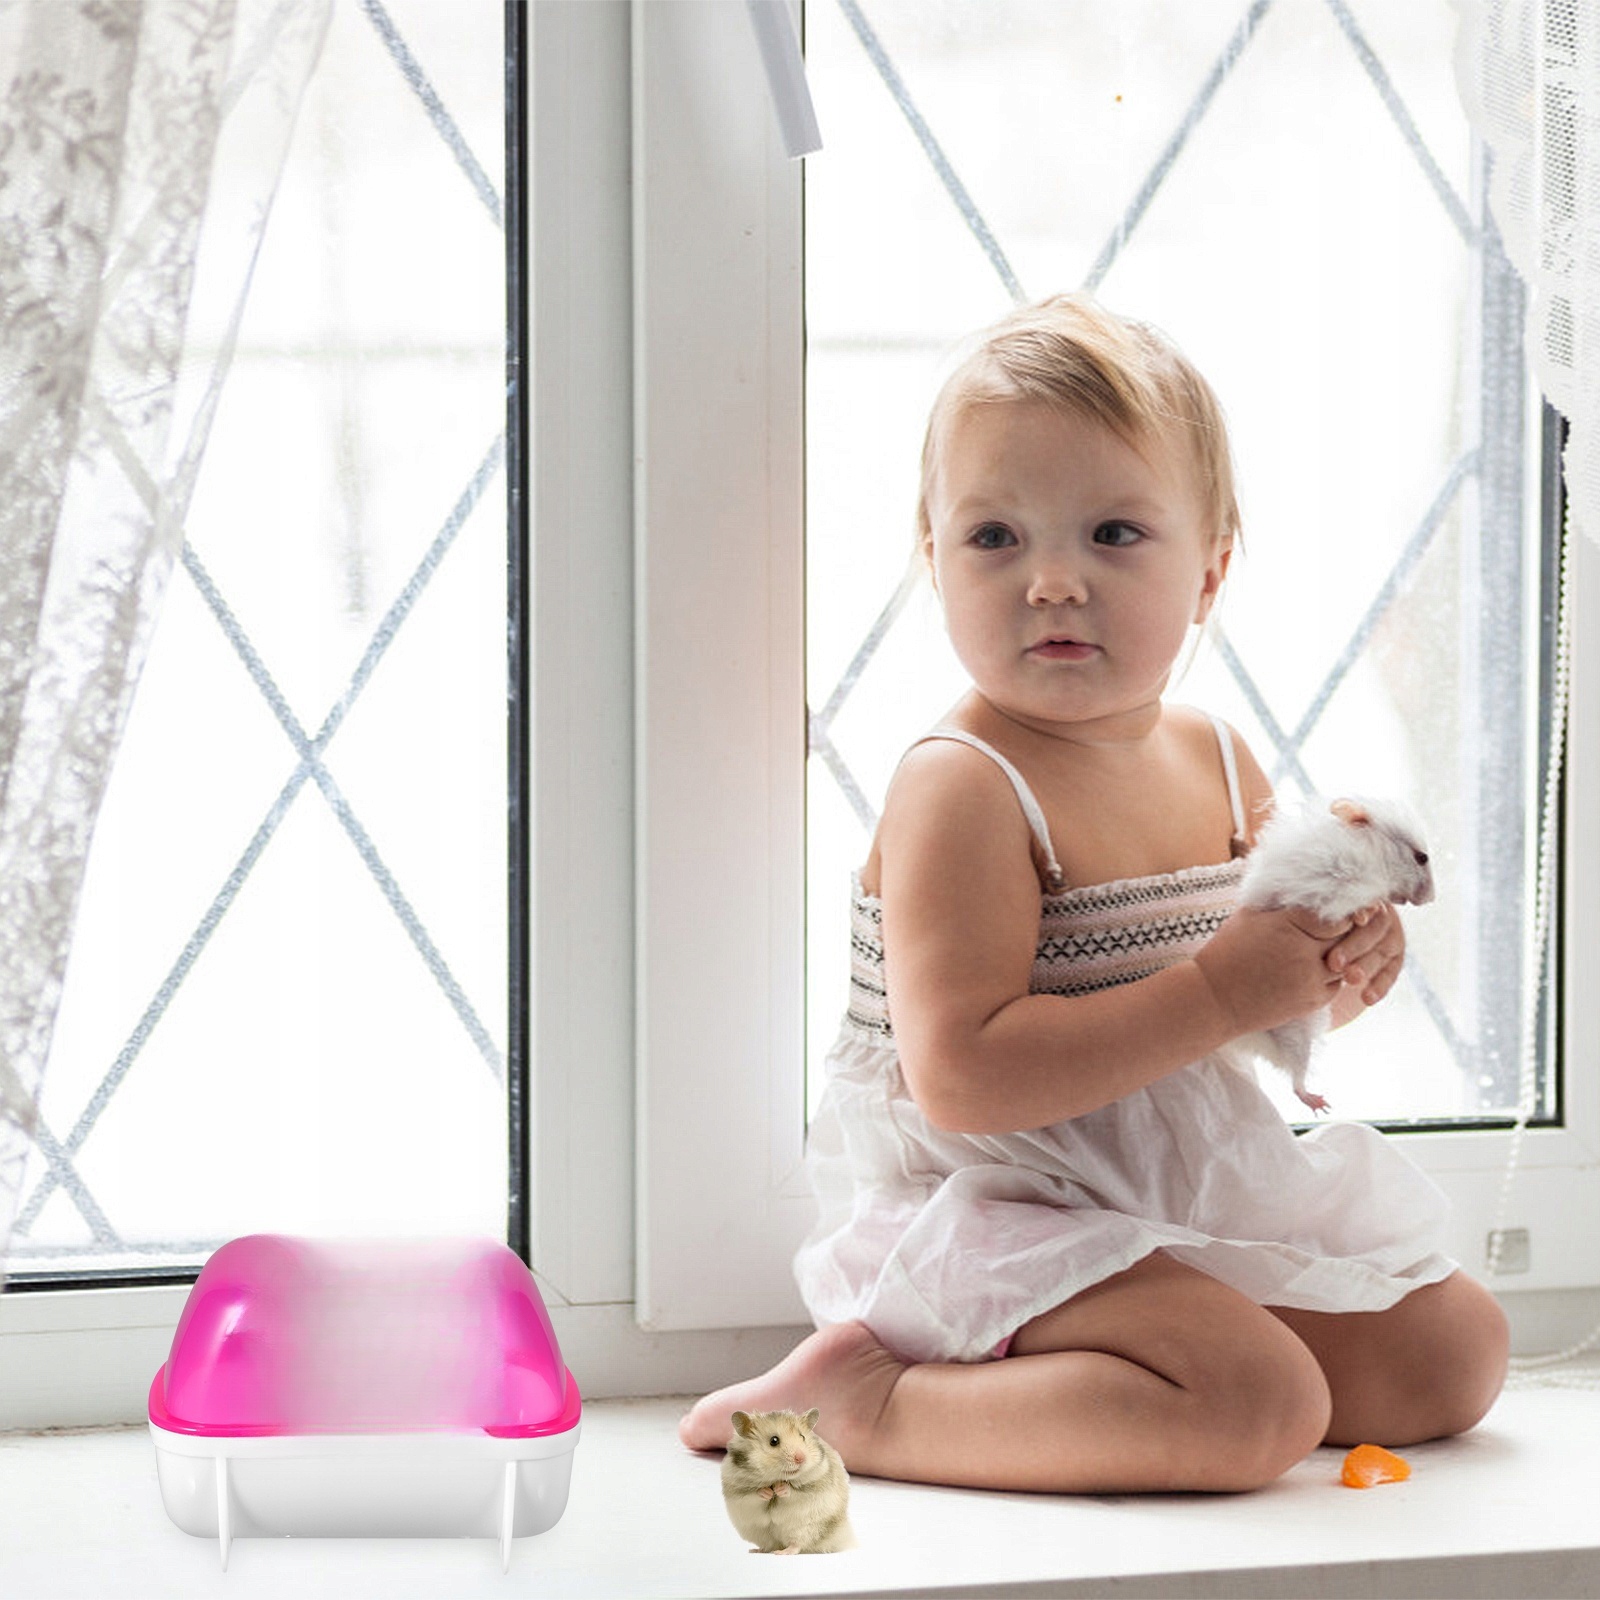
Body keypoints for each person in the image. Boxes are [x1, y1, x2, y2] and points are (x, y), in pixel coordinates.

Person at [679, 294, 1508, 1494]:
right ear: (932, 559)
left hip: (1166, 1183)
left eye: (1113, 533)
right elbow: (962, 1080)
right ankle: (875, 1401)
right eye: (995, 537)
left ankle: (1122, 1362)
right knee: (1255, 1403)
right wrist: (1220, 991)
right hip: (991, 1207)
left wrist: (1330, 977)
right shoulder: (965, 786)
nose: (1054, 581)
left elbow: (1249, 1002)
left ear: (1210, 572)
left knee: (1452, 1351)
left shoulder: (1216, 756)